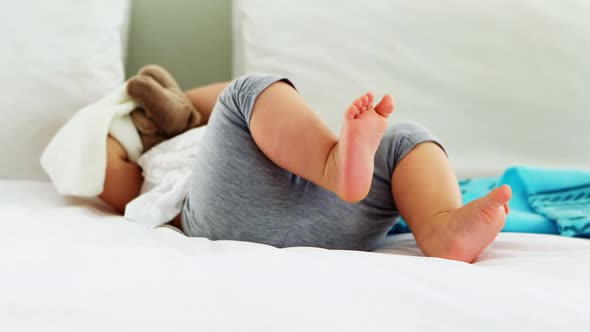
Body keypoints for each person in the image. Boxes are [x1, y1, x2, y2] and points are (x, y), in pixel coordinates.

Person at [100, 74, 512, 263]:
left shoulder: (205, 130)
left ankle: (441, 228)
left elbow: (202, 105)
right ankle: (337, 164)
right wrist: (128, 122)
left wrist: (181, 108)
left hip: (329, 205)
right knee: (243, 90)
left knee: (405, 140)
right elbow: (100, 169)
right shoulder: (148, 161)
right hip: (234, 210)